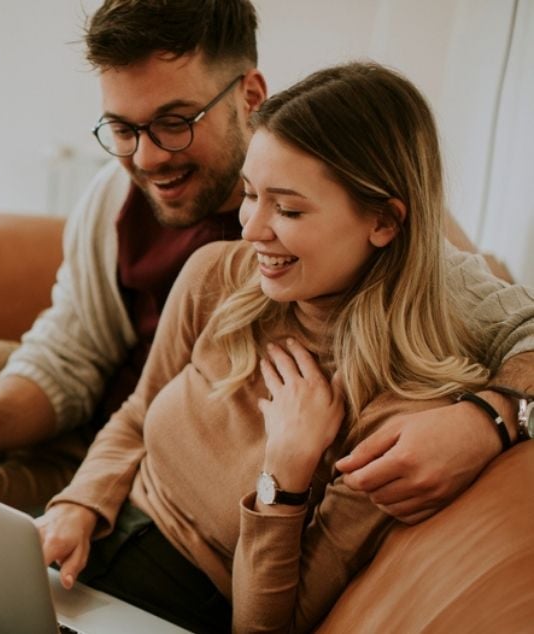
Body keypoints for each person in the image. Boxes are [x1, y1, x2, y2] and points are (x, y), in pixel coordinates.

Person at [0, 1, 534, 631]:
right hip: (104, 413)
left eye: (173, 123)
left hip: (163, 490)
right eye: (122, 130)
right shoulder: (187, 247)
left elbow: (492, 319)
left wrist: (490, 416)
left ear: (249, 95)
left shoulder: (405, 263)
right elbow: (76, 358)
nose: (147, 158)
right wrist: (24, 459)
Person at [37, 60, 529, 633]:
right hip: (90, 546)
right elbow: (138, 413)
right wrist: (78, 503)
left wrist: (284, 475)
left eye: (289, 209)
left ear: (384, 222)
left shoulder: (399, 412)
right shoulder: (214, 276)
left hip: (170, 608)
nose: (251, 229)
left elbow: (264, 626)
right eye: (250, 195)